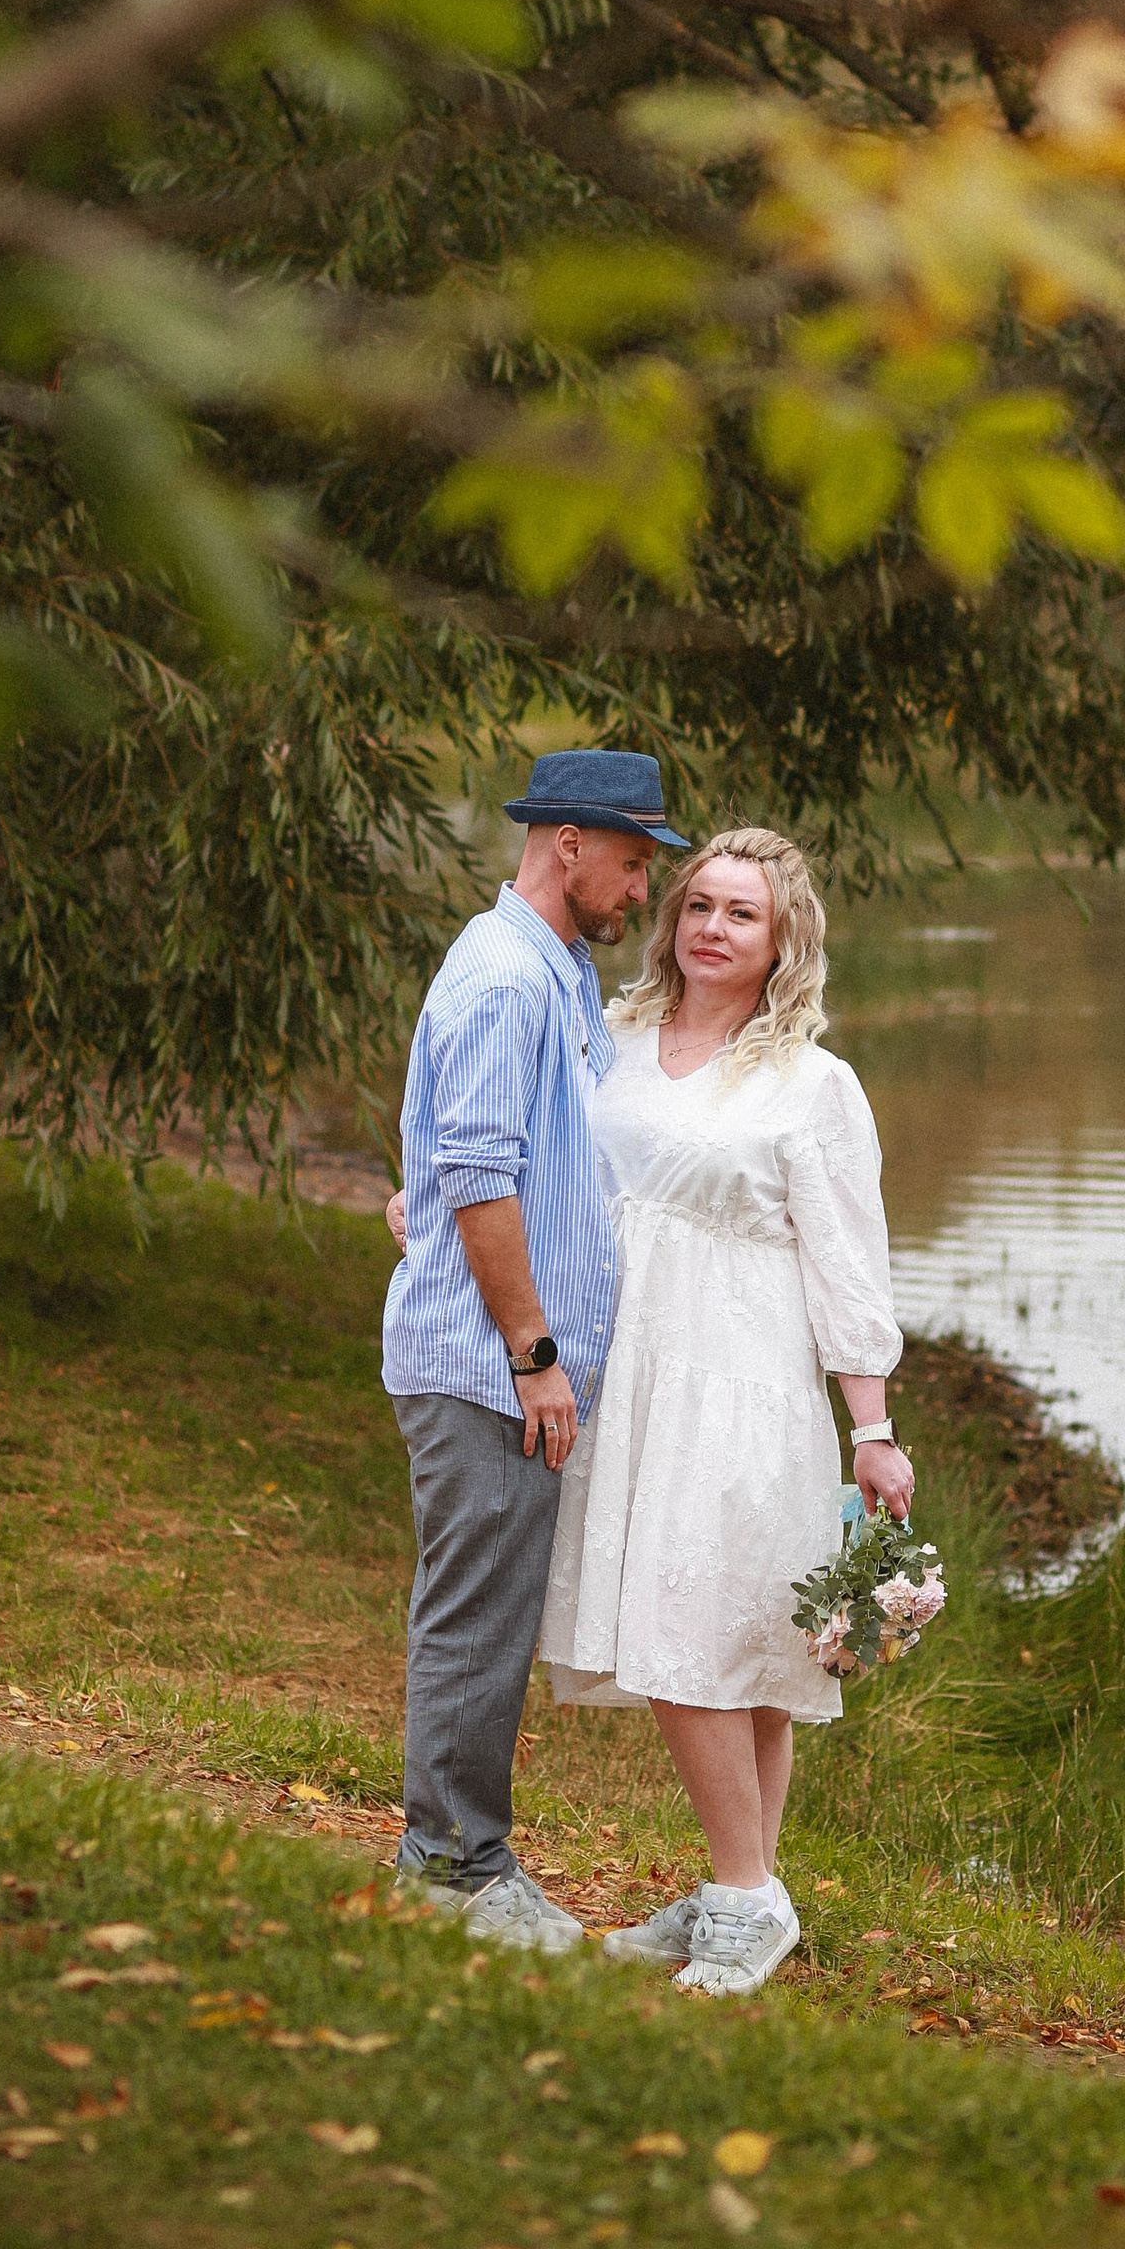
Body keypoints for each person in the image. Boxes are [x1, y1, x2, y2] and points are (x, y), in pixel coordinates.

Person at [536, 824, 910, 1996]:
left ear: (781, 937)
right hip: (625, 1369)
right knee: (727, 1641)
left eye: (739, 912)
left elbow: (848, 1261)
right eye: (696, 903)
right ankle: (734, 1893)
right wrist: (432, 1192)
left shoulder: (811, 1083)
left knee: (702, 1627)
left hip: (738, 1379)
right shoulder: (616, 1037)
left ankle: (748, 1901)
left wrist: (873, 1428)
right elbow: (543, 1159)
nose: (709, 926)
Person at [380, 745, 688, 1951]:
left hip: (493, 1351)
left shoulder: (551, 970)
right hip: (480, 1362)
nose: (640, 892)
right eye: (631, 864)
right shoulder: (505, 978)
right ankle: (450, 1868)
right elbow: (478, 1173)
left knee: (493, 1610)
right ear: (569, 846)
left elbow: (480, 1158)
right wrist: (531, 1350)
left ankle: (467, 1861)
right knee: (473, 1614)